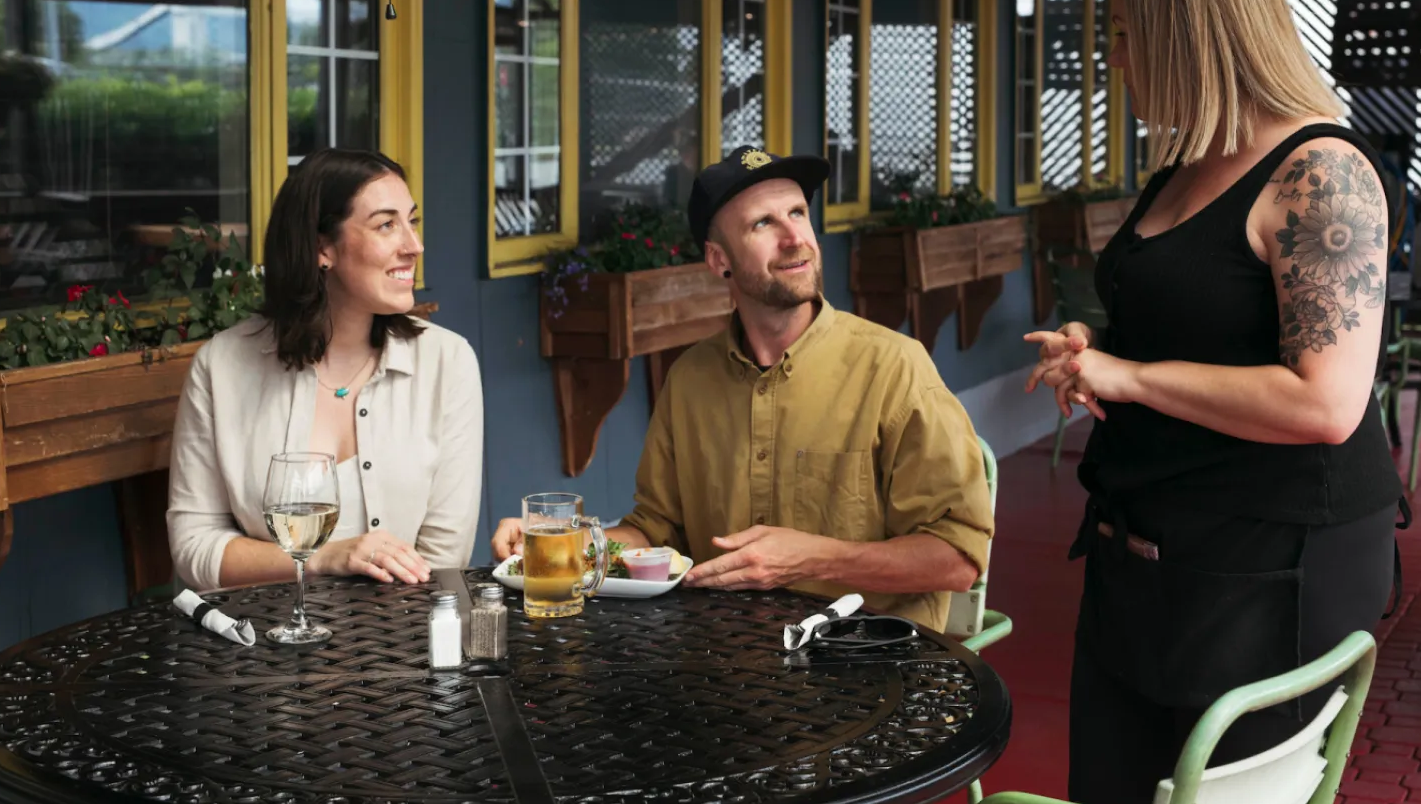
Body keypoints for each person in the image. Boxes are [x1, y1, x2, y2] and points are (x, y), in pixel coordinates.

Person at [1024, 0, 1406, 804]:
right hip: (1141, 553)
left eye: (1127, 33)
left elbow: (1326, 401)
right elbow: (1191, 319)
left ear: (1187, 35)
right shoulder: (1185, 163)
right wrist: (1098, 349)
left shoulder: (1321, 173)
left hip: (1269, 564)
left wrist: (1129, 377)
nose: (1115, 58)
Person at [493, 146, 993, 631]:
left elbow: (957, 558)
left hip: (871, 663)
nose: (794, 238)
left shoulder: (895, 367)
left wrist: (811, 559)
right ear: (718, 260)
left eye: (798, 213)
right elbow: (656, 530)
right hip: (727, 661)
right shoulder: (689, 379)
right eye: (763, 224)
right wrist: (568, 543)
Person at [168, 148, 484, 593]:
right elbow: (194, 545)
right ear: (322, 248)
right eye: (386, 225)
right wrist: (322, 558)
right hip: (262, 631)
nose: (414, 245)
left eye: (411, 221)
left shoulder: (447, 362)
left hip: (409, 626)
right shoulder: (221, 367)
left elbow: (444, 557)